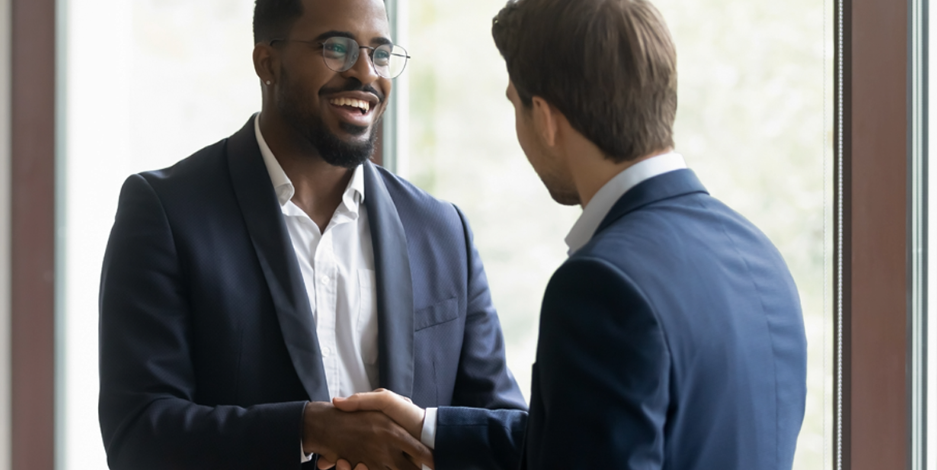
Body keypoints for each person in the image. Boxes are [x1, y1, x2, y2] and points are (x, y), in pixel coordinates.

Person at [332, 0, 808, 469]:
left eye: (515, 106)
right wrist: (432, 429)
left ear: (545, 118)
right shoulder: (761, 256)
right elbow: (594, 435)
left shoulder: (602, 286)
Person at [97, 0, 526, 468]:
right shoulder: (166, 213)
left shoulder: (443, 231)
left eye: (380, 54)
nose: (365, 73)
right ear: (268, 63)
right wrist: (310, 429)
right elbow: (138, 434)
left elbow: (504, 430)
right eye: (336, 47)